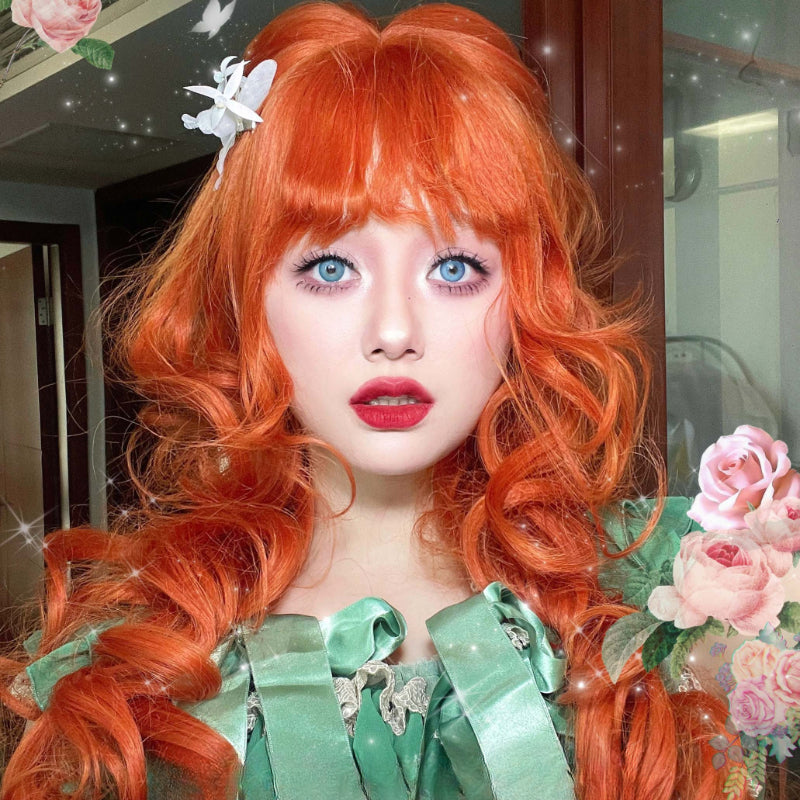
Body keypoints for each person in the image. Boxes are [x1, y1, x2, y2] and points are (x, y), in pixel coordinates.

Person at [0, 3, 728, 799]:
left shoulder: (665, 598)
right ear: (245, 304)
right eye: (330, 268)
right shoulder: (137, 657)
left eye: (455, 268)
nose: (393, 332)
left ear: (526, 300)